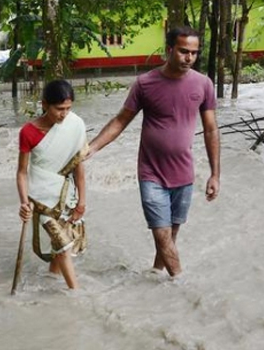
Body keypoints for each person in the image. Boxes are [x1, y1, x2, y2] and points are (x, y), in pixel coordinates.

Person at [86, 26, 220, 279]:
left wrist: (215, 174)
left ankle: (156, 276)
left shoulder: (203, 84)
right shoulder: (145, 84)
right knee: (161, 233)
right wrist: (92, 147)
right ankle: (182, 286)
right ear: (169, 50)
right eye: (183, 51)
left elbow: (211, 130)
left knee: (170, 236)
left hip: (184, 173)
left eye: (194, 52)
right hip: (151, 174)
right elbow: (120, 121)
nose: (189, 57)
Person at [17, 80, 87, 290]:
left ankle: (51, 281)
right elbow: (22, 172)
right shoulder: (28, 132)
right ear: (44, 104)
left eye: (68, 109)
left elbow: (78, 168)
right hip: (41, 198)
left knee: (60, 248)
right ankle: (77, 294)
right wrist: (23, 203)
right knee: (64, 246)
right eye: (59, 109)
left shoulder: (75, 125)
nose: (64, 114)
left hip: (67, 196)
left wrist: (82, 202)